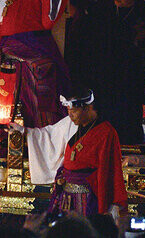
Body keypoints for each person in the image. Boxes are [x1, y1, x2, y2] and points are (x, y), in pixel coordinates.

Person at [0, 0, 71, 186]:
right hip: (7, 57)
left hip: (36, 52)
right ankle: (0, 171)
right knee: (0, 113)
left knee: (45, 107)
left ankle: (52, 166)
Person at [86, 0, 145, 145]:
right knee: (97, 133)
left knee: (126, 134)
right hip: (99, 83)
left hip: (129, 85)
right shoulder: (102, 7)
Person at [49, 88, 126, 219]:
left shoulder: (105, 132)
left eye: (74, 111)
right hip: (67, 197)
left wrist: (112, 203)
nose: (70, 115)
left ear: (88, 108)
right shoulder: (75, 126)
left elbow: (111, 170)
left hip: (89, 199)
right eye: (68, 111)